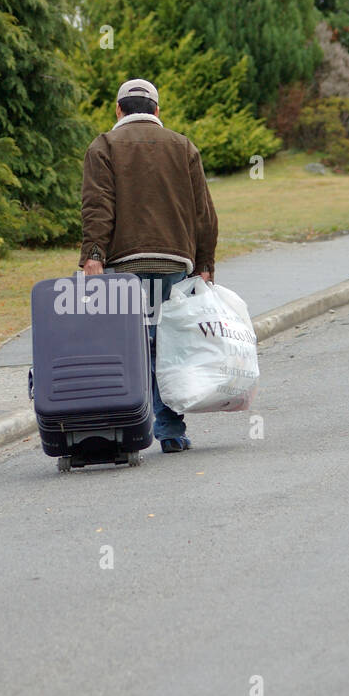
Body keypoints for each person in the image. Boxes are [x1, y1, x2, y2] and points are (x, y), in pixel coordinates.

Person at [79, 77, 218, 453]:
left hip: (123, 265)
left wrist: (93, 255)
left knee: (126, 346)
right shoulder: (182, 145)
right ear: (156, 110)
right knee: (168, 344)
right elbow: (203, 211)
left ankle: (124, 431)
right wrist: (204, 263)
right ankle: (170, 430)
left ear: (118, 110)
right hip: (173, 261)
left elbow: (97, 206)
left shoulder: (103, 145)